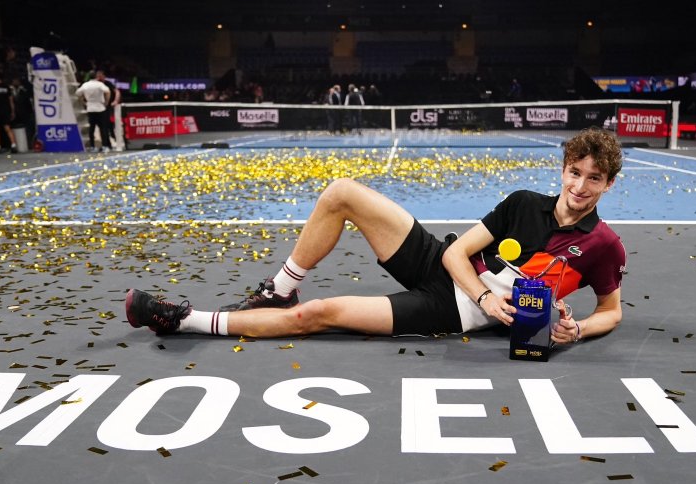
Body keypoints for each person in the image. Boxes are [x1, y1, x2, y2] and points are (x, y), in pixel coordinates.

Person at [125, 128, 626, 345]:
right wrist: (484, 295)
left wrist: (578, 329)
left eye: (594, 178)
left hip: (451, 312)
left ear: (608, 184)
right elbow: (456, 253)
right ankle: (280, 288)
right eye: (574, 172)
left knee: (318, 315)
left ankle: (184, 320)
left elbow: (611, 311)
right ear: (562, 169)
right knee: (342, 193)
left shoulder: (603, 245)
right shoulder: (523, 203)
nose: (580, 187)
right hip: (444, 267)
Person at [75, 70, 111, 152]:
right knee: (103, 128)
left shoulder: (85, 85)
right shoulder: (99, 84)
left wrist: (83, 102)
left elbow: (77, 93)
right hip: (100, 108)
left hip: (90, 108)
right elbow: (108, 91)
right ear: (96, 77)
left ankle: (92, 146)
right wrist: (106, 102)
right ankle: (105, 146)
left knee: (92, 128)